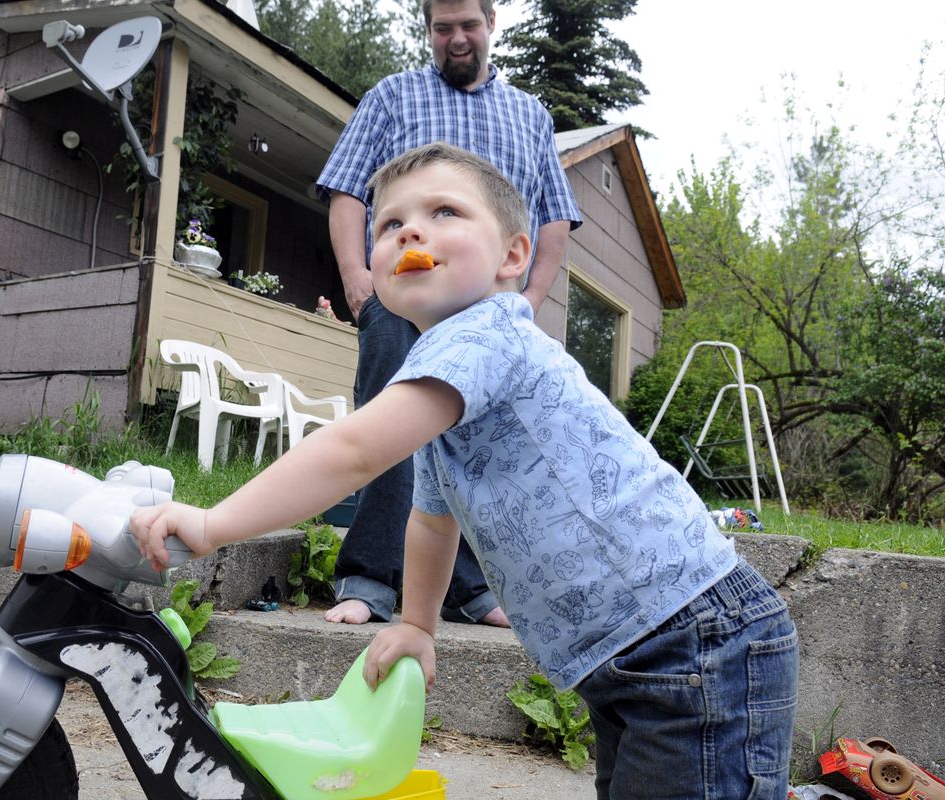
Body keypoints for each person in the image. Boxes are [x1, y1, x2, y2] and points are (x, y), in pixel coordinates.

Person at [133, 143, 800, 800]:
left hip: (693, 642)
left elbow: (355, 452)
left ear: (513, 256)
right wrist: (419, 624)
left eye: (445, 211)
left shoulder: (488, 333)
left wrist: (214, 522)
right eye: (389, 224)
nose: (411, 231)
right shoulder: (444, 388)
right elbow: (431, 519)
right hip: (637, 658)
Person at [316, 0, 582, 626]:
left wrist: (531, 300)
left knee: (484, 445)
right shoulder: (391, 97)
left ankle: (471, 588)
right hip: (400, 301)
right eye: (442, 28)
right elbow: (347, 190)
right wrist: (358, 280)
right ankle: (371, 580)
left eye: (468, 25)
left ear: (492, 24)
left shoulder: (530, 116)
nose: (456, 39)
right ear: (428, 31)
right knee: (387, 429)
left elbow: (552, 218)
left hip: (490, 313)